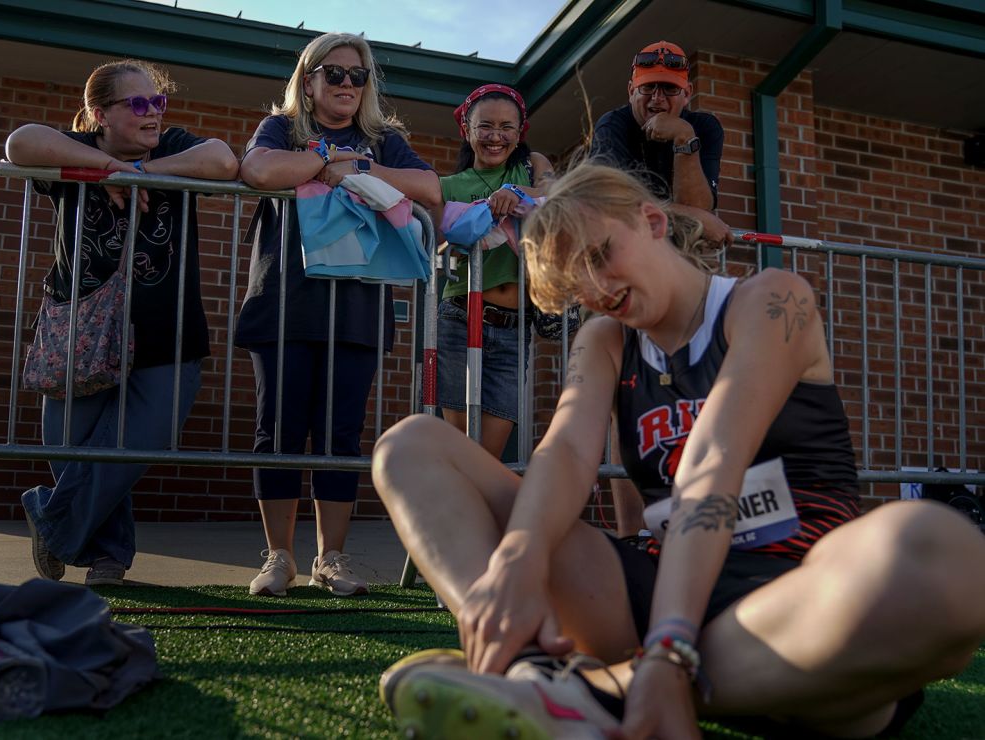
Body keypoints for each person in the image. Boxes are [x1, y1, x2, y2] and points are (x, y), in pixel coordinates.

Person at [372, 164, 985, 738]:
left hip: (799, 606)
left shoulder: (771, 299)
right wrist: (519, 557)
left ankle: (601, 693)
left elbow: (714, 457)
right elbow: (565, 452)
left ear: (653, 222)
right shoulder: (606, 339)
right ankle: (530, 671)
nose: (596, 287)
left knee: (943, 551)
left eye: (600, 255)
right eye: (575, 284)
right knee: (412, 445)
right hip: (654, 588)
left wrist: (669, 645)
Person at [7, 59, 238, 586]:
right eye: (138, 104)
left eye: (157, 102)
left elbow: (224, 161)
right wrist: (102, 168)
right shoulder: (72, 150)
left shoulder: (172, 146)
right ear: (98, 114)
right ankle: (108, 558)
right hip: (79, 333)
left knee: (135, 445)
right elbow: (20, 144)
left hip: (167, 335)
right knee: (73, 451)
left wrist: (147, 173)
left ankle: (53, 520)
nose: (153, 113)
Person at [236, 32, 440, 597]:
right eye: (335, 73)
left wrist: (355, 170)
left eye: (358, 75)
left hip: (357, 307)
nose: (348, 84)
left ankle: (332, 558)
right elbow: (256, 170)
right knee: (278, 431)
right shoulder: (282, 128)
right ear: (310, 80)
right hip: (284, 302)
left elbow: (427, 187)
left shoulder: (383, 139)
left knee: (340, 435)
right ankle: (278, 557)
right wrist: (321, 158)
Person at [437, 84, 554, 458]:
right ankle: (456, 518)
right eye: (485, 126)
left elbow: (559, 191)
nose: (495, 137)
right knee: (459, 447)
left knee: (489, 453)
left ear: (520, 133)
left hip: (513, 327)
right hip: (459, 318)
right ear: (466, 131)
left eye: (507, 127)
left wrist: (517, 192)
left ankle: (480, 517)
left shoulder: (531, 165)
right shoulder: (449, 185)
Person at [591, 40, 732, 246]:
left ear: (687, 94)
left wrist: (685, 138)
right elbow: (612, 202)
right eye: (648, 87)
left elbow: (699, 208)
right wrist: (692, 215)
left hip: (676, 259)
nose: (657, 98)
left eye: (669, 88)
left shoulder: (704, 127)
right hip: (617, 250)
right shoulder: (612, 125)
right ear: (631, 91)